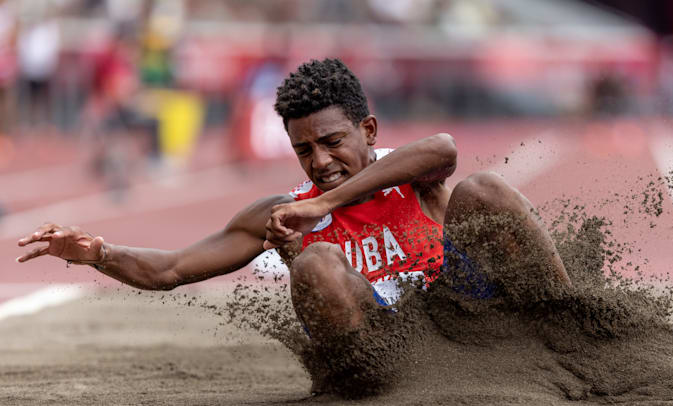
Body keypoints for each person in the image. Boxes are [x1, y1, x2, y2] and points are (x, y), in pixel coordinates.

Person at [16, 58, 571, 342]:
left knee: (485, 190)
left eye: (333, 143)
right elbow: (173, 269)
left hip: (461, 314)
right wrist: (96, 254)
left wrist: (323, 207)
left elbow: (445, 150)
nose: (321, 162)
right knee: (315, 263)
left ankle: (574, 324)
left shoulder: (411, 171)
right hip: (386, 347)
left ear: (369, 131)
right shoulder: (282, 213)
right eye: (304, 150)